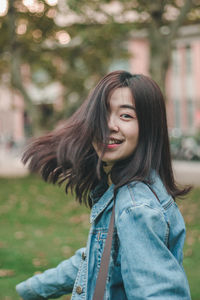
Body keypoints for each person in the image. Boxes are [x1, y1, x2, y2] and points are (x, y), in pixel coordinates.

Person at [16, 70, 191, 300]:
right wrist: (32, 289)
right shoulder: (125, 190)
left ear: (149, 127)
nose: (109, 125)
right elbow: (97, 258)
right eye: (103, 114)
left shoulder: (136, 208)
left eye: (126, 116)